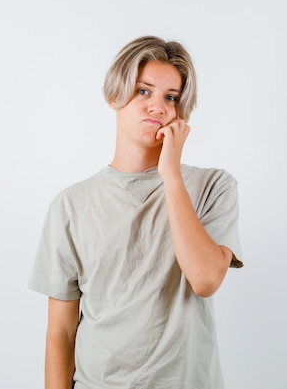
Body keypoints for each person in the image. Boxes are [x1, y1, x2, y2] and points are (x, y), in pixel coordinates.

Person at [28, 35, 244, 389]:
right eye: (143, 91)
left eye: (170, 97)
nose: (157, 106)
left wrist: (170, 175)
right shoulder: (71, 205)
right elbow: (61, 332)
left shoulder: (213, 187)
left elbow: (205, 280)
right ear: (115, 96)